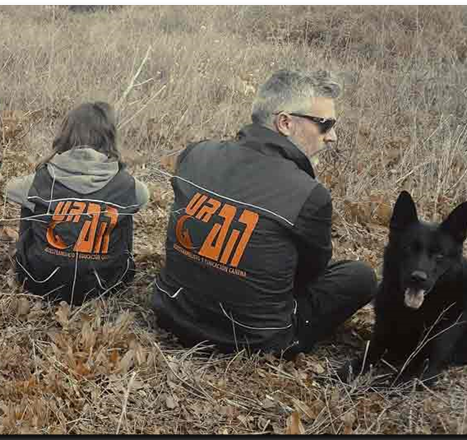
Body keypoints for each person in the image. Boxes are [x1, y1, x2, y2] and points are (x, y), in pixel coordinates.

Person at [151, 69, 377, 358]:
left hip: (171, 311)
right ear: (285, 123)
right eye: (325, 124)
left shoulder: (196, 153)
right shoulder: (309, 194)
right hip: (253, 340)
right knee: (361, 276)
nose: (332, 136)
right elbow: (310, 274)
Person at [6, 101, 149, 305]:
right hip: (106, 285)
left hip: (39, 281)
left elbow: (9, 189)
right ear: (110, 138)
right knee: (126, 206)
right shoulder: (129, 186)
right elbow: (144, 197)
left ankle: (39, 260)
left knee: (30, 201)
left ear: (66, 135)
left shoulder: (41, 180)